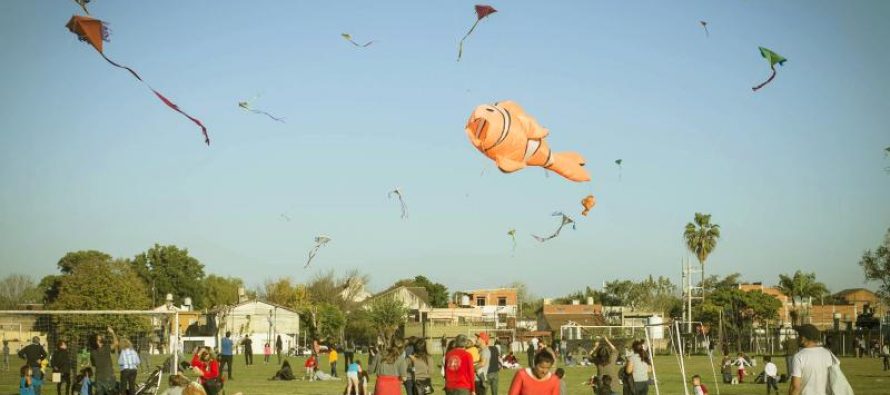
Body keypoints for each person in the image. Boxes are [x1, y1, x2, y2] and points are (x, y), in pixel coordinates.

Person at [789, 324, 834, 395]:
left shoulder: (799, 356)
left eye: (799, 335)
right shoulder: (828, 354)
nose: (797, 337)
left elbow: (796, 387)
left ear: (803, 338)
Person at [89, 327, 119, 395]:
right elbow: (116, 343)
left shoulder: (92, 353)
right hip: (109, 378)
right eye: (99, 337)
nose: (101, 336)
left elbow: (94, 364)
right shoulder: (105, 349)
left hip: (98, 379)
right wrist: (112, 332)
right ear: (97, 341)